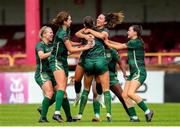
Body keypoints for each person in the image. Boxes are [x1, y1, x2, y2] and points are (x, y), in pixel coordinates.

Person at [49, 11, 92, 123]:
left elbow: (70, 43)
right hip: (56, 60)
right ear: (65, 21)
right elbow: (71, 50)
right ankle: (56, 113)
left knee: (63, 90)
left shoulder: (66, 30)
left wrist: (80, 44)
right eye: (70, 19)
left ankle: (68, 117)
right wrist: (85, 47)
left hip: (63, 60)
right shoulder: (62, 33)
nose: (71, 21)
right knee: (62, 87)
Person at [104, 25, 154, 122]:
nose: (127, 32)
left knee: (130, 93)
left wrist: (106, 42)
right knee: (124, 95)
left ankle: (148, 111)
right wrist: (108, 41)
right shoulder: (133, 42)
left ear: (135, 32)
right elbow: (120, 44)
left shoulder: (136, 42)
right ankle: (134, 117)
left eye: (129, 30)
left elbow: (119, 46)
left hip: (139, 71)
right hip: (133, 73)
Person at [91, 48, 131, 122]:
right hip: (98, 76)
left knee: (122, 97)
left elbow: (120, 62)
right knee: (95, 93)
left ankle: (132, 116)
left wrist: (125, 73)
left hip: (111, 77)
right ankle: (96, 116)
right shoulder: (95, 50)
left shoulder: (112, 51)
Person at [34, 26, 54, 122]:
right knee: (50, 92)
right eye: (50, 32)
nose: (52, 34)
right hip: (41, 73)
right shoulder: (40, 45)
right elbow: (41, 56)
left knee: (60, 94)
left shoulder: (51, 45)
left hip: (51, 74)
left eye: (52, 32)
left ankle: (42, 108)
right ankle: (42, 118)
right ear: (44, 34)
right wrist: (52, 52)